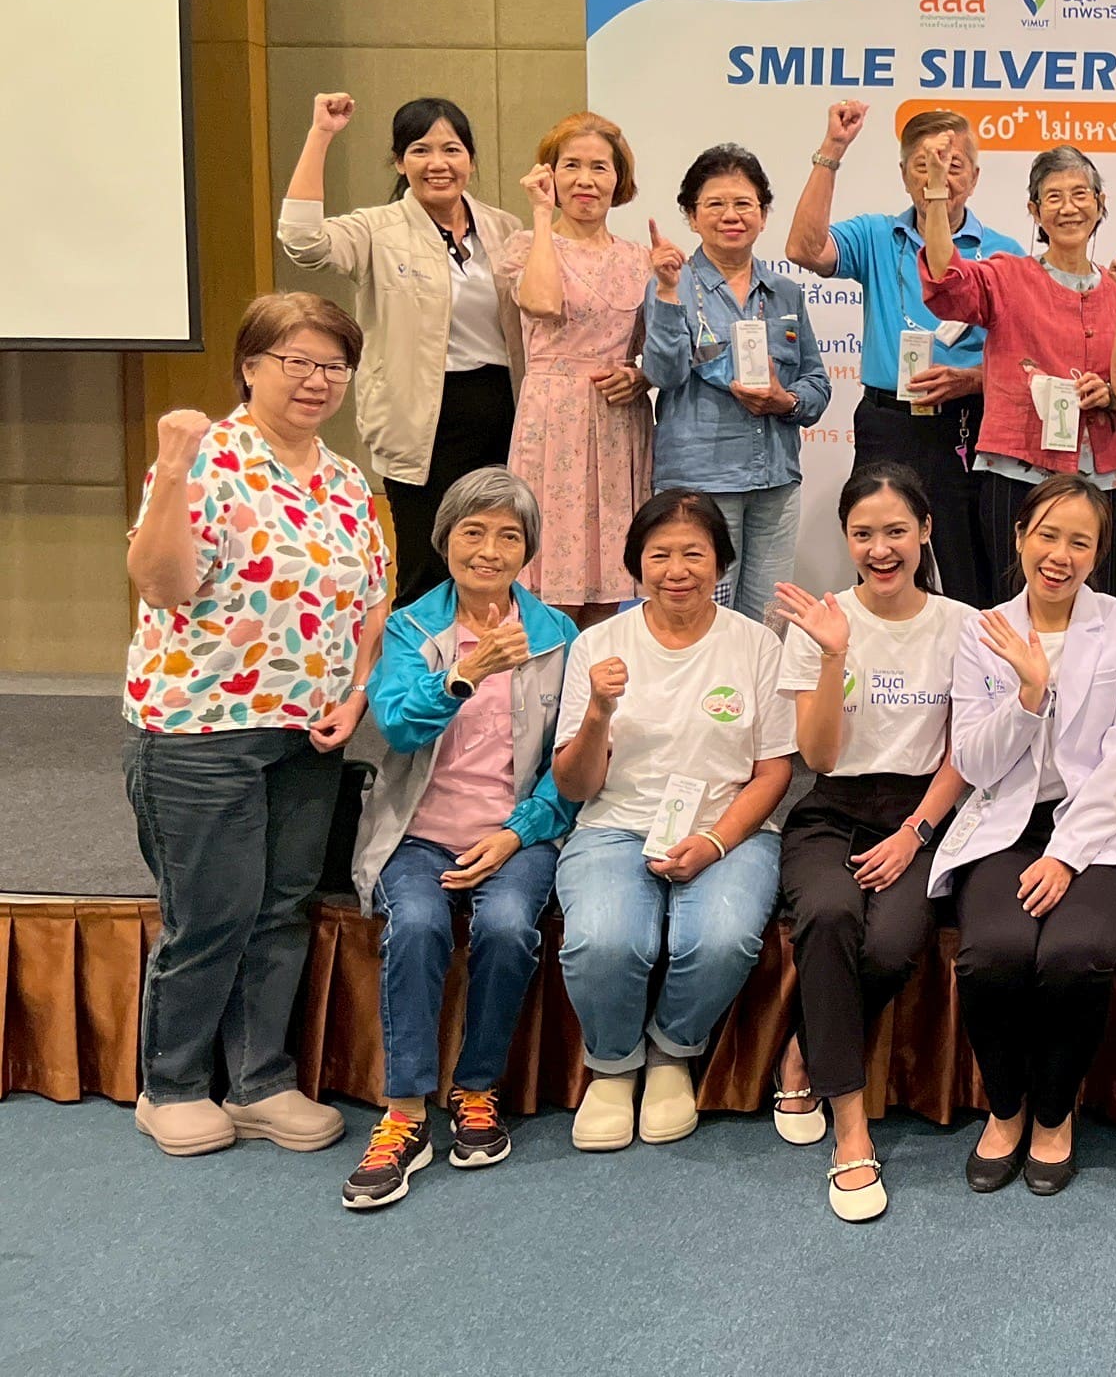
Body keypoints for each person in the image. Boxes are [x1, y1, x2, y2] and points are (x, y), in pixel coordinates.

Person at [123, 293, 388, 1159]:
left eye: (333, 366)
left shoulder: (346, 479)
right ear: (250, 366)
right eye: (296, 361)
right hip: (201, 730)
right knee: (212, 914)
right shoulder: (205, 460)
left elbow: (372, 600)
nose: (317, 381)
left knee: (281, 911)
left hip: (310, 733)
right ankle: (168, 1087)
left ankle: (260, 1082)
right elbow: (160, 582)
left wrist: (357, 693)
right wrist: (170, 472)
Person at [342, 468, 579, 1209]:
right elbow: (398, 726)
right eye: (473, 532)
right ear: (445, 540)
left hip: (514, 834)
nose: (489, 550)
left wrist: (519, 832)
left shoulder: (557, 635)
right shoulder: (411, 628)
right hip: (418, 833)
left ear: (528, 550)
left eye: (508, 535)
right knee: (415, 925)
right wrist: (465, 672)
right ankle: (405, 1113)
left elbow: (571, 763)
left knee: (507, 925)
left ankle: (477, 1089)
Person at [933, 475, 1116, 1196]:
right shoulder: (984, 629)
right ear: (1020, 537)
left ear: (1098, 554)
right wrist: (1029, 697)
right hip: (1007, 825)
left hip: (1106, 829)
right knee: (992, 957)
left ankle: (1055, 1113)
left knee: (1075, 957)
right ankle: (1006, 1108)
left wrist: (1066, 856)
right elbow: (974, 762)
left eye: (1080, 542)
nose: (1060, 555)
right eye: (1046, 535)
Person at [551, 490, 795, 1151]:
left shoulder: (755, 646)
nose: (677, 571)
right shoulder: (598, 644)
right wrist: (598, 711)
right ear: (637, 563)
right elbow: (574, 785)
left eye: (694, 554)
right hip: (615, 825)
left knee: (722, 938)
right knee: (603, 940)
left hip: (730, 830)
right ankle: (612, 1066)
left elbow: (774, 771)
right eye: (660, 555)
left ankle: (671, 1053)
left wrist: (715, 841)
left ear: (722, 561)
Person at [769, 461, 970, 1223]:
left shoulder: (961, 625)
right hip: (832, 810)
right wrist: (832, 655)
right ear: (846, 539)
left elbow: (964, 753)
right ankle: (851, 1132)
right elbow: (817, 758)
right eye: (863, 534)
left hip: (922, 812)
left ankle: (803, 1044)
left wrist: (916, 833)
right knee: (829, 916)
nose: (880, 549)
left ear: (925, 531)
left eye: (895, 531)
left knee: (889, 946)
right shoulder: (822, 622)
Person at [277, 93, 522, 605]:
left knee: (498, 561)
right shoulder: (376, 229)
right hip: (420, 422)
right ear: (398, 161)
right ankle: (415, 659)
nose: (438, 163)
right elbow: (302, 241)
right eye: (420, 150)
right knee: (426, 567)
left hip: (503, 412)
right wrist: (321, 134)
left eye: (451, 150)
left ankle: (491, 656)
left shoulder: (503, 228)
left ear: (471, 160)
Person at [782, 102, 1023, 609]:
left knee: (968, 574)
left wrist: (974, 379)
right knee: (881, 564)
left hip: (967, 423)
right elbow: (805, 249)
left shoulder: (1004, 254)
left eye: (952, 165)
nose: (938, 179)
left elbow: (1028, 361)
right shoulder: (877, 235)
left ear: (974, 177)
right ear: (904, 175)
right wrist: (833, 149)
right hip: (889, 422)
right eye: (924, 165)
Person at [919, 145, 1116, 599]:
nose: (1068, 208)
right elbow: (946, 282)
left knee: (1099, 607)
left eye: (1080, 194)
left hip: (1104, 476)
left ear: (1100, 203)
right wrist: (938, 196)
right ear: (1035, 211)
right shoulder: (1007, 276)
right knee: (1014, 602)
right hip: (1018, 473)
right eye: (1053, 197)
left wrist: (1109, 394)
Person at [642, 144, 830, 621]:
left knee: (768, 619)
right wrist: (666, 292)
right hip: (700, 484)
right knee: (701, 616)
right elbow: (663, 375)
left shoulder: (785, 292)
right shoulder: (673, 283)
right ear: (692, 216)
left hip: (776, 482)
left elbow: (816, 382)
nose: (731, 215)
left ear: (763, 216)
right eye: (715, 204)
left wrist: (786, 400)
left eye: (744, 204)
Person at [497, 112, 655, 625]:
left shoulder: (641, 258)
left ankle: (596, 675)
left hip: (617, 422)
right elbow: (542, 302)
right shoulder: (526, 244)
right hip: (552, 421)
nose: (586, 180)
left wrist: (640, 376)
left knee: (611, 582)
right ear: (550, 174)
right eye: (571, 166)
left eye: (599, 167)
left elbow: (661, 352)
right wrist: (542, 215)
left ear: (618, 179)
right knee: (548, 580)